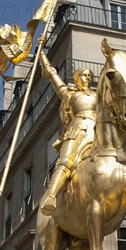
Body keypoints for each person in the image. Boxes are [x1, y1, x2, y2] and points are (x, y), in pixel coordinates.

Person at [38, 36, 97, 215]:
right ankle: (51, 195)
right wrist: (40, 52)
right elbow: (51, 73)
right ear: (77, 78)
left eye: (89, 75)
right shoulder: (69, 94)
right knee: (65, 161)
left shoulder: (98, 96)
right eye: (83, 75)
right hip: (76, 129)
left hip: (97, 129)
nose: (87, 78)